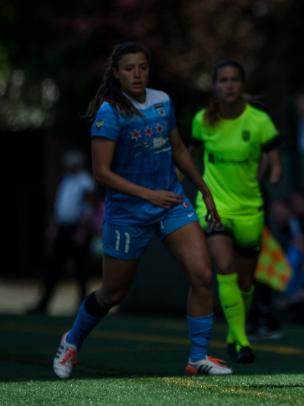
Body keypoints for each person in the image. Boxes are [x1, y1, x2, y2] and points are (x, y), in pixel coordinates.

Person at [52, 42, 232, 379]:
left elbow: (178, 148)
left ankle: (197, 357)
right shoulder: (109, 112)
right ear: (117, 73)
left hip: (170, 205)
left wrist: (205, 191)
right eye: (129, 68)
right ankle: (72, 340)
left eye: (142, 67)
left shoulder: (162, 101)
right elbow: (102, 173)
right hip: (128, 214)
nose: (137, 74)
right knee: (113, 293)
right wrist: (148, 195)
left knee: (203, 276)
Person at [191, 59, 283, 364]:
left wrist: (272, 171)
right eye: (223, 80)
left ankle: (234, 332)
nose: (229, 85)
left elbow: (273, 157)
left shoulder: (259, 121)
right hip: (214, 204)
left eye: (234, 80)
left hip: (249, 208)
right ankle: (242, 342)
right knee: (225, 268)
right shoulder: (202, 120)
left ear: (242, 86)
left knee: (246, 281)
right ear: (215, 86)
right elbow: (189, 158)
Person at [29, 150, 95, 314]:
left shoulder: (85, 181)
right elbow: (60, 206)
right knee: (53, 266)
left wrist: (82, 230)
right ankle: (44, 303)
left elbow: (89, 207)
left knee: (80, 268)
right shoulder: (66, 179)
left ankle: (82, 306)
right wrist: (53, 226)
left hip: (77, 228)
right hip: (63, 228)